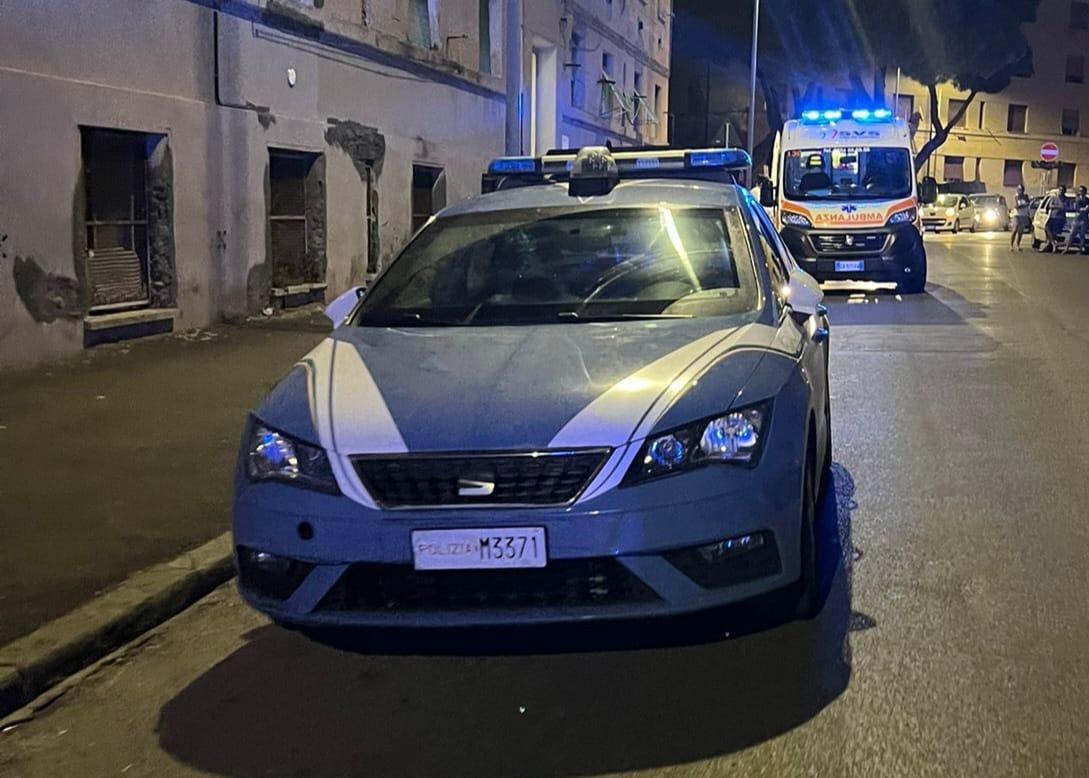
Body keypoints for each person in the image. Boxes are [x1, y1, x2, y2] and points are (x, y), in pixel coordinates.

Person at [1064, 185, 1089, 254]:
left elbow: (1087, 208)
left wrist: (1084, 209)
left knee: (1082, 235)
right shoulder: (1077, 199)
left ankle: (1080, 250)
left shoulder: (1087, 200)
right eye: (1080, 191)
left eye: (1082, 191)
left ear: (1085, 192)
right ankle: (1066, 248)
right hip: (1077, 219)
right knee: (1072, 234)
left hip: (1084, 219)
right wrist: (1084, 209)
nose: (1081, 192)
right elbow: (1076, 208)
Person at [1044, 185, 1069, 253]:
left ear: (1064, 191)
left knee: (1055, 232)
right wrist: (1058, 206)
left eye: (1062, 190)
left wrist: (1057, 206)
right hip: (1052, 216)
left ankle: (1053, 245)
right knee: (1047, 228)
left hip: (1060, 218)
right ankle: (1053, 243)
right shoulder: (1054, 198)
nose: (1061, 192)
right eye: (1060, 190)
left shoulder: (1066, 199)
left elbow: (1066, 207)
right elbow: (1050, 205)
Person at [1011, 184, 1031, 251]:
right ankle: (1011, 245)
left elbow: (1028, 203)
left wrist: (1023, 205)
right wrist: (1024, 205)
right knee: (1015, 228)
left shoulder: (1026, 196)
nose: (1020, 191)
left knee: (1020, 231)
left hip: (1023, 215)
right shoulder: (1016, 196)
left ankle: (1017, 245)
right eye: (1019, 189)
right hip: (1017, 215)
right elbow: (1016, 206)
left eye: (1021, 190)